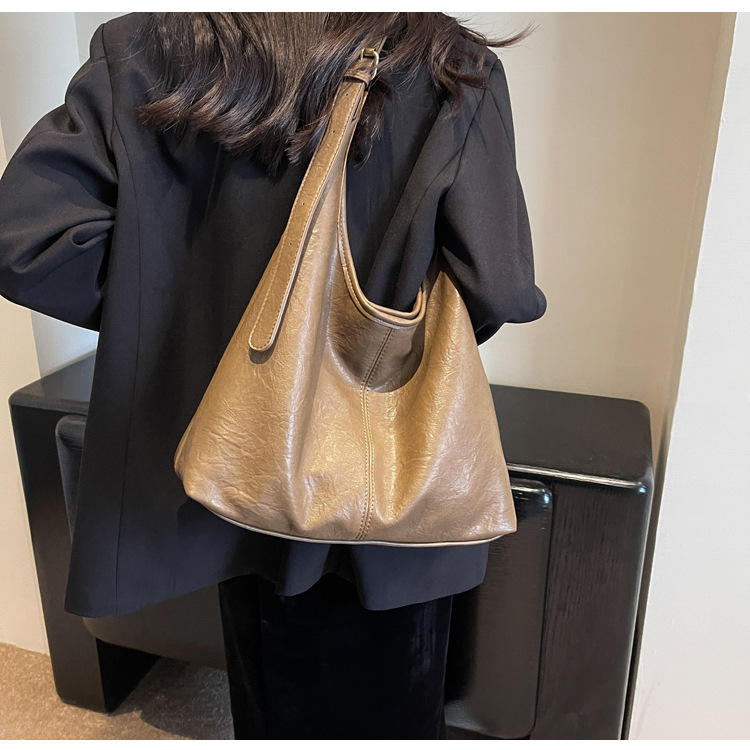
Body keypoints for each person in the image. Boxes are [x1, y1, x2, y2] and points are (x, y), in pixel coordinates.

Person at [0, 12, 546, 740]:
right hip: (382, 511)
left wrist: (184, 323)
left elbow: (27, 243)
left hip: (229, 466)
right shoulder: (446, 64)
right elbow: (500, 287)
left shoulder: (151, 49)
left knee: (266, 692)